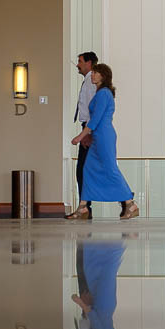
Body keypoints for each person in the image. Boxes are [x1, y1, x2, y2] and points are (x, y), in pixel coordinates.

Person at [68, 64, 139, 219]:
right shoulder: (100, 93)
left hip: (104, 136)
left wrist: (80, 136)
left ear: (103, 76)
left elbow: (95, 119)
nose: (92, 75)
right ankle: (83, 208)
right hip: (98, 137)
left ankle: (130, 204)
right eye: (92, 72)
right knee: (88, 169)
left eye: (95, 72)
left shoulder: (104, 94)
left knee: (110, 168)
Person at [68, 51, 98, 219]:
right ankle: (84, 207)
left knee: (83, 170)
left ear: (89, 63)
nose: (77, 65)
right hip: (87, 127)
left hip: (89, 129)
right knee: (84, 170)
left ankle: (85, 207)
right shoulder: (88, 81)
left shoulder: (91, 82)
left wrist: (87, 132)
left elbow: (91, 108)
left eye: (80, 61)